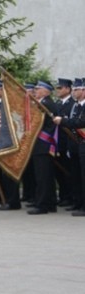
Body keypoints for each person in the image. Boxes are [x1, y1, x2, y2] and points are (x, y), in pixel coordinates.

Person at [54, 77, 85, 216]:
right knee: (76, 176)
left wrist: (63, 121)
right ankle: (78, 203)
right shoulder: (77, 105)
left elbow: (79, 122)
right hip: (76, 144)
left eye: (78, 89)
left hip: (82, 143)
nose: (75, 92)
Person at [28, 80, 59, 215]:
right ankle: (50, 203)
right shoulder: (43, 103)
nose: (36, 90)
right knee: (46, 176)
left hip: (43, 144)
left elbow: (42, 125)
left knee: (43, 177)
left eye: (38, 88)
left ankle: (42, 205)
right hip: (41, 144)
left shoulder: (46, 104)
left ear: (46, 91)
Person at [53, 78, 75, 207]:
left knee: (68, 171)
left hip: (67, 143)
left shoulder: (72, 104)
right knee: (59, 172)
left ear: (68, 89)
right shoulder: (57, 103)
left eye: (60, 88)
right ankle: (62, 196)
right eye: (57, 88)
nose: (58, 90)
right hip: (57, 143)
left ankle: (70, 196)